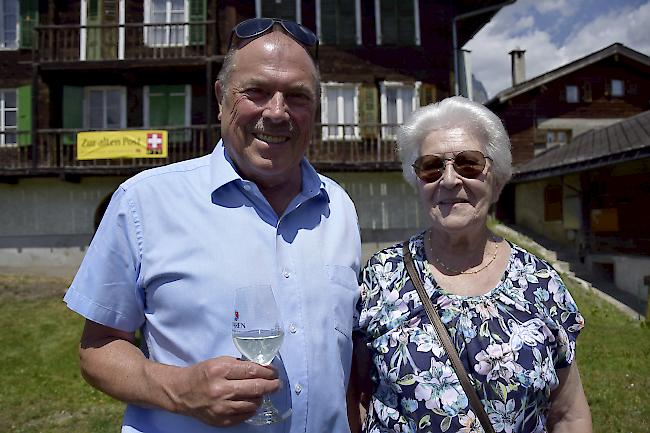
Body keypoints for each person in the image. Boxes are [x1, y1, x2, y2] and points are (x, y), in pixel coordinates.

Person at [64, 18, 361, 433]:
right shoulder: (144, 203)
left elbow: (343, 363)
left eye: (297, 96)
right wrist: (181, 389)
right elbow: (97, 347)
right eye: (256, 92)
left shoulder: (339, 208)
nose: (277, 112)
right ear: (221, 98)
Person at [349, 97, 592, 433]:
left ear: (496, 177)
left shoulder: (540, 282)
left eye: (468, 163)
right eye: (431, 166)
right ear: (417, 180)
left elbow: (568, 414)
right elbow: (355, 399)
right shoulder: (380, 276)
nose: (449, 180)